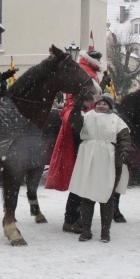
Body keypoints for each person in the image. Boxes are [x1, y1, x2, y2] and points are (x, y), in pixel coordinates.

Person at [46, 48, 104, 232]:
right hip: (81, 117)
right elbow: (84, 99)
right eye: (98, 58)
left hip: (84, 114)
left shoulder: (90, 71)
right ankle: (72, 218)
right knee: (81, 175)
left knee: (82, 177)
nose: (100, 61)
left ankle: (74, 216)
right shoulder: (87, 72)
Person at [67, 94, 131, 243]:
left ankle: (105, 233)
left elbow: (125, 137)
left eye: (105, 104)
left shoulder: (117, 120)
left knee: (106, 197)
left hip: (109, 159)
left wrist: (125, 150)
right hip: (89, 158)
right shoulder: (87, 116)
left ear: (110, 106)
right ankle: (86, 231)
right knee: (87, 197)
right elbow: (74, 122)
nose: (101, 106)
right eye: (99, 103)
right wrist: (76, 107)